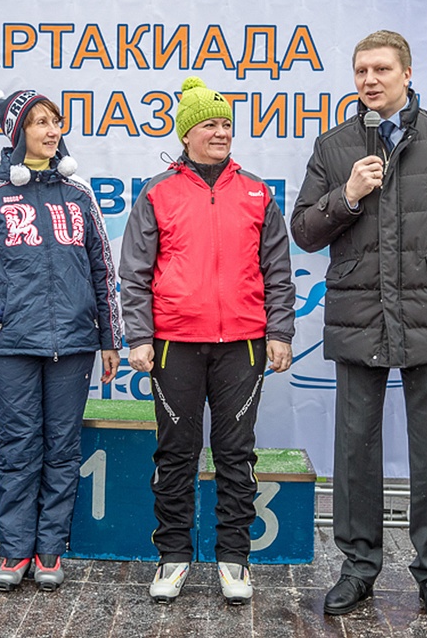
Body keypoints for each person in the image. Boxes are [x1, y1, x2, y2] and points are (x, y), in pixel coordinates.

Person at [290, 30, 427, 622]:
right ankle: (357, 569)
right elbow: (304, 230)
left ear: (406, 73)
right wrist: (348, 195)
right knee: (355, 451)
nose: (369, 80)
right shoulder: (333, 148)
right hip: (360, 317)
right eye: (360, 71)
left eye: (381, 69)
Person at [119, 76, 296, 606]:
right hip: (174, 344)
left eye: (225, 124)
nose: (220, 133)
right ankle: (173, 556)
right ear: (187, 133)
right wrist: (139, 337)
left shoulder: (257, 191)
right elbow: (135, 272)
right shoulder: (158, 191)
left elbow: (279, 272)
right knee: (176, 453)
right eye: (209, 124)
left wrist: (280, 332)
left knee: (236, 454)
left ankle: (233, 559)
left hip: (242, 343)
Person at [0, 87, 122, 593]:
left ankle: (49, 550)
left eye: (56, 122)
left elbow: (102, 270)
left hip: (73, 344)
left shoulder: (80, 195)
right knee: (17, 448)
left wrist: (110, 338)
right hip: (10, 347)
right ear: (17, 132)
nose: (52, 131)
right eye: (40, 123)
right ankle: (14, 550)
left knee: (63, 449)